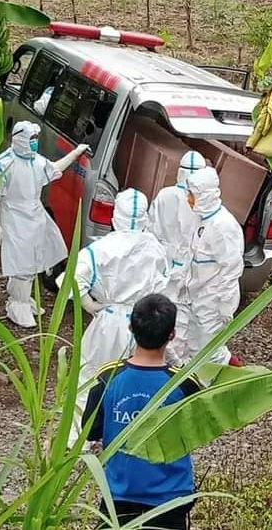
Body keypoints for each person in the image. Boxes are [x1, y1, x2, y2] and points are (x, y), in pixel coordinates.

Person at [61, 188, 170, 447]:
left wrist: (89, 303)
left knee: (89, 374)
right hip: (143, 320)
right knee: (135, 376)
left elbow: (71, 281)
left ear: (115, 216)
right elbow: (165, 283)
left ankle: (78, 436)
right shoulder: (155, 248)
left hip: (109, 320)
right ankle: (128, 433)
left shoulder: (102, 248)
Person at [83, 294, 201, 530]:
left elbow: (91, 429)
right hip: (172, 496)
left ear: (130, 327)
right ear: (172, 335)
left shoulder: (109, 379)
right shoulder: (184, 383)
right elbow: (198, 430)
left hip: (120, 494)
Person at [0, 121, 89, 328]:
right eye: (31, 139)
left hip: (36, 216)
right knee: (22, 263)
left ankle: (22, 297)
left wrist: (75, 153)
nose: (35, 143)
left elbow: (54, 168)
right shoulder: (2, 164)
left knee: (35, 260)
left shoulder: (36, 161)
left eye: (36, 139)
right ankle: (18, 304)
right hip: (15, 217)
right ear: (20, 138)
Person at [148, 150, 208, 363]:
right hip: (188, 265)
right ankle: (175, 362)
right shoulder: (201, 201)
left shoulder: (165, 194)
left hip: (164, 259)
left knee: (158, 308)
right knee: (181, 317)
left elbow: (152, 227)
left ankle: (155, 351)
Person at [183, 167, 245, 366]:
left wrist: (225, 303)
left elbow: (232, 268)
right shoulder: (203, 220)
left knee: (211, 350)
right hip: (199, 296)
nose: (188, 200)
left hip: (214, 299)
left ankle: (224, 382)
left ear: (204, 196)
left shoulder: (223, 226)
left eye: (192, 195)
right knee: (194, 345)